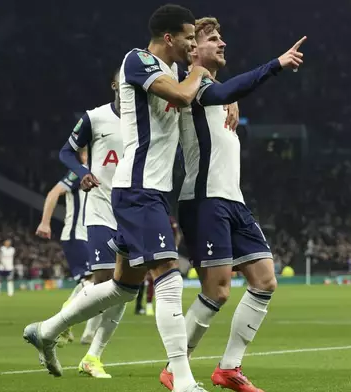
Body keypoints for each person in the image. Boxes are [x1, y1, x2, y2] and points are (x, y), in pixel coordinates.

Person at [24, 6, 212, 391]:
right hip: (137, 188)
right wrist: (199, 69)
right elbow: (181, 93)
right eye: (189, 38)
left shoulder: (177, 70)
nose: (194, 45)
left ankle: (46, 330)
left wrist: (221, 89)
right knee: (168, 276)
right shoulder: (139, 60)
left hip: (153, 191)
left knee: (122, 286)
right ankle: (183, 378)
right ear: (169, 38)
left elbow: (197, 95)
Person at [160, 17, 305, 392]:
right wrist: (274, 65)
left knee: (265, 280)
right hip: (205, 199)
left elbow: (226, 93)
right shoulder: (191, 86)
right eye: (213, 39)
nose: (222, 43)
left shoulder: (217, 89)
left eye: (221, 37)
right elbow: (218, 93)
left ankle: (228, 368)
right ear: (194, 50)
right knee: (218, 290)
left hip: (233, 200)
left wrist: (231, 94)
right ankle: (176, 367)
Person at [56, 69, 123, 378]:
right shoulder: (94, 118)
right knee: (104, 283)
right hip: (100, 210)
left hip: (135, 213)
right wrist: (82, 171)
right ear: (114, 84)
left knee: (126, 287)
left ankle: (92, 355)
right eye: (123, 78)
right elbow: (66, 150)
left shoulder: (150, 117)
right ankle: (55, 327)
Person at [36, 151, 94, 343]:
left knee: (98, 283)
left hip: (91, 237)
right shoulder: (78, 172)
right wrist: (45, 222)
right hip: (76, 236)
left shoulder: (100, 172)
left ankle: (81, 330)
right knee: (93, 283)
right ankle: (61, 323)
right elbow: (54, 193)